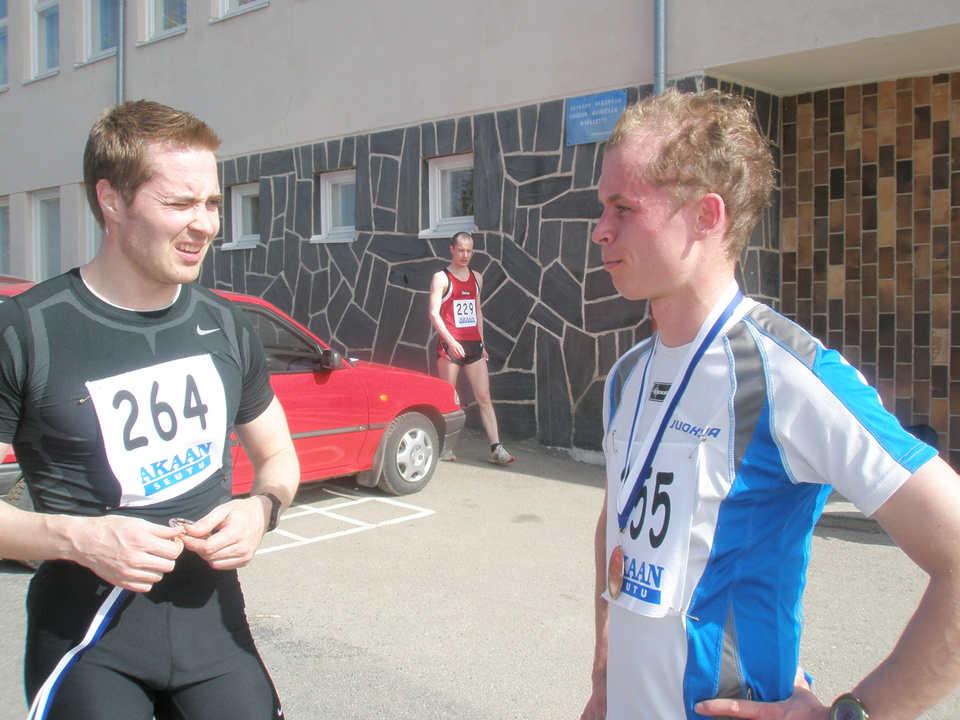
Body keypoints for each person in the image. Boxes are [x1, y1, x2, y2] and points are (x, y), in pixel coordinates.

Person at [580, 88, 960, 720]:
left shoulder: (788, 374)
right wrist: (604, 671)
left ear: (706, 216)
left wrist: (853, 715)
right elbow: (616, 519)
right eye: (602, 207)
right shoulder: (627, 376)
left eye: (624, 208)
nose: (601, 230)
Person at [0, 100, 300, 719]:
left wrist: (262, 509)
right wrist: (77, 537)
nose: (205, 224)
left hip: (213, 625)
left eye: (211, 202)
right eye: (179, 203)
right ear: (111, 200)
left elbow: (277, 455)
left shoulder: (227, 324)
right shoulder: (28, 330)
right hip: (88, 637)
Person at [428, 232, 514, 465]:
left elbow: (477, 311)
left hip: (473, 345)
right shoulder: (441, 278)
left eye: (469, 251)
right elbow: (434, 314)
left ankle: (496, 448)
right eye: (461, 250)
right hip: (450, 346)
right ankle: (443, 447)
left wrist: (481, 342)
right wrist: (450, 341)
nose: (465, 255)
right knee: (448, 398)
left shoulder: (477, 277)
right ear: (452, 249)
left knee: (484, 396)